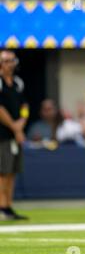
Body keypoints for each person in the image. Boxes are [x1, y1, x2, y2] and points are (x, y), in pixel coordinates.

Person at [0, 50, 28, 220]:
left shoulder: (18, 83)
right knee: (2, 172)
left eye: (12, 60)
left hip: (15, 135)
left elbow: (25, 106)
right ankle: (2, 207)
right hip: (2, 134)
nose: (10, 64)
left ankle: (8, 206)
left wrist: (21, 123)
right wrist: (15, 127)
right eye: (6, 61)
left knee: (12, 171)